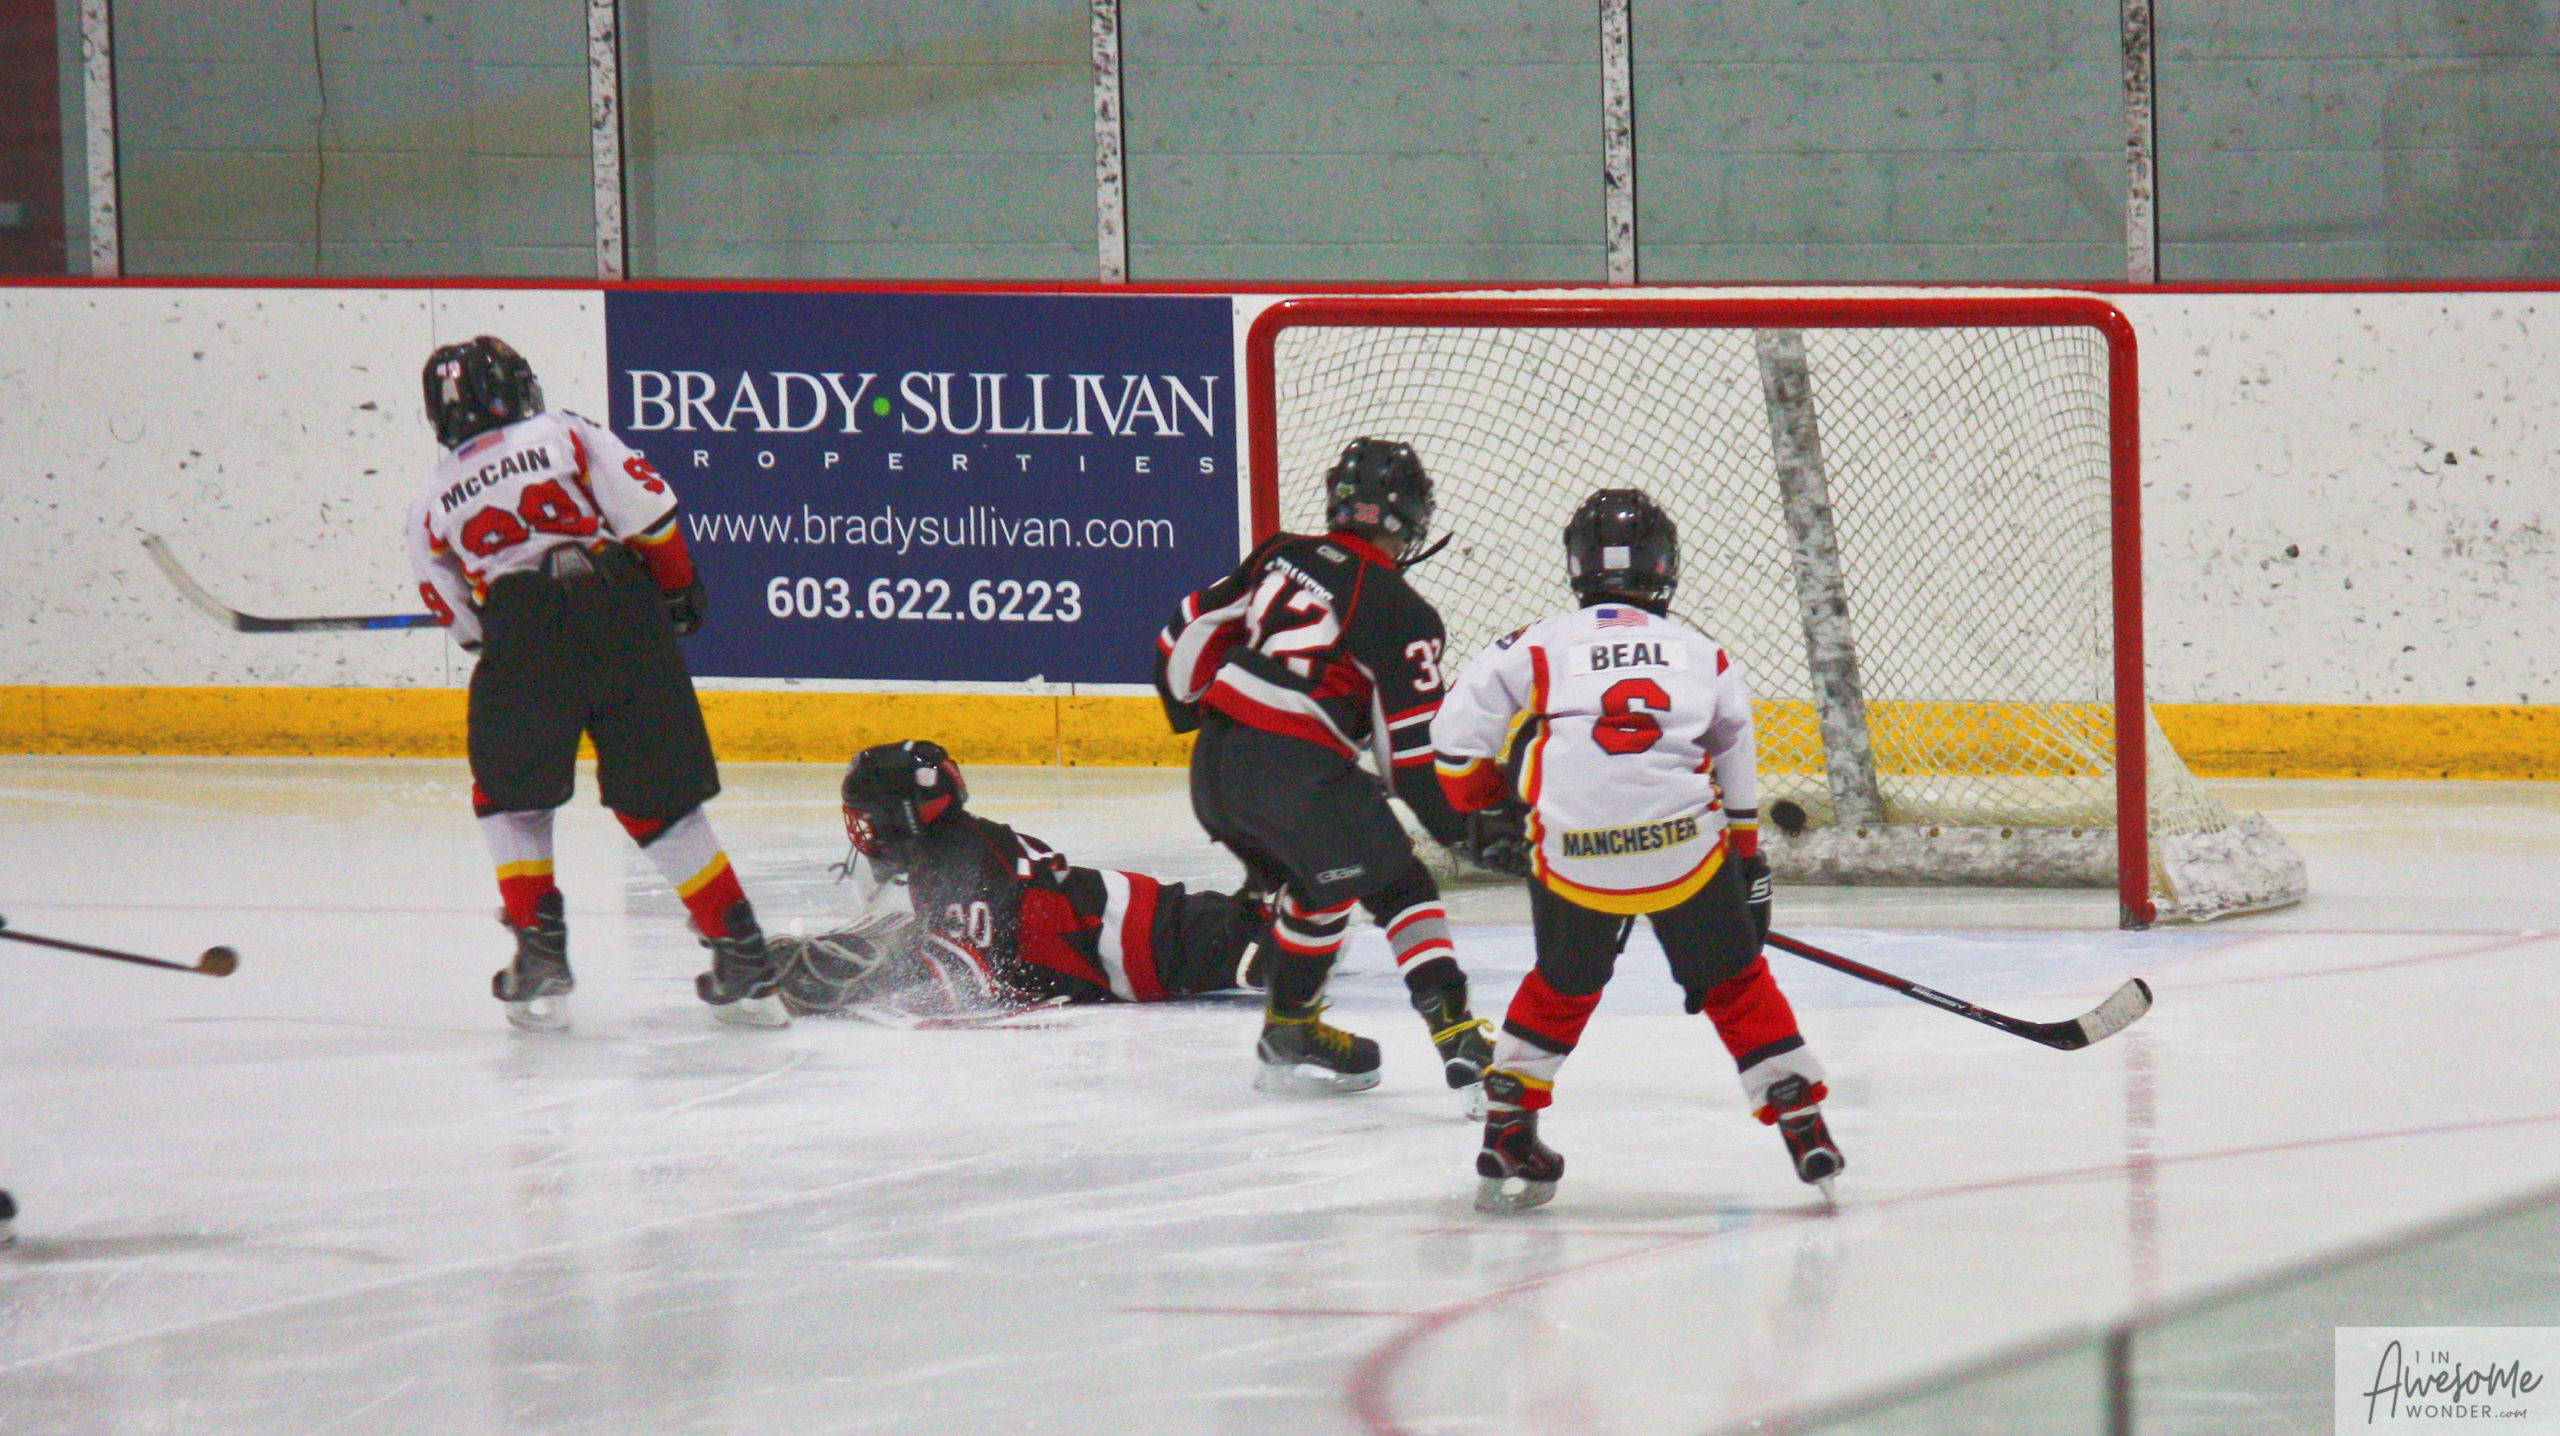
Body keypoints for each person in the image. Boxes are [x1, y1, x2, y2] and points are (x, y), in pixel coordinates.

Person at [1430, 488, 1844, 1213]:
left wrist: (1484, 806)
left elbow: (1454, 739)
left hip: (1572, 852)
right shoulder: (1702, 652)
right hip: (1682, 850)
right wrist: (1744, 862)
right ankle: (1799, 1114)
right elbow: (1734, 757)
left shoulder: (1538, 641)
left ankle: (1508, 1127)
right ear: (1665, 566)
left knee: (1564, 982)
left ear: (1577, 567)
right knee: (1735, 984)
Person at [406, 335, 787, 1032]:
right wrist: (676, 588)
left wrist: (525, 630)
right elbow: (649, 514)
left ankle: (540, 953)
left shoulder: (429, 503)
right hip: (620, 609)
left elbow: (467, 627)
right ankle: (743, 954)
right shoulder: (564, 432)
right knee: (660, 801)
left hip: (522, 631)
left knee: (509, 797)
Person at [1154, 437, 1493, 1107]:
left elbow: (1182, 635)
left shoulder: (1281, 554)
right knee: (1400, 882)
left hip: (1214, 772)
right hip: (1296, 773)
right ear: (1413, 516)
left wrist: (1192, 707)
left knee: (1326, 881)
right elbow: (1408, 762)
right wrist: (1462, 829)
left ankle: (1290, 1030)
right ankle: (1460, 1038)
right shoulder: (1405, 613)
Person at [766, 740, 1269, 1017]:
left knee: (1274, 950)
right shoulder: (953, 849)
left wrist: (851, 988)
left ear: (906, 816)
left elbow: (970, 981)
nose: (867, 830)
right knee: (1260, 933)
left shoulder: (958, 864)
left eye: (872, 816)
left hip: (1158, 944)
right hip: (1149, 931)